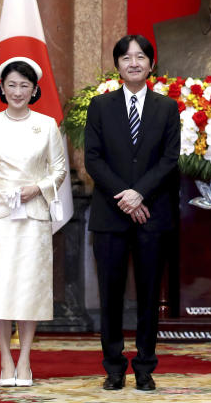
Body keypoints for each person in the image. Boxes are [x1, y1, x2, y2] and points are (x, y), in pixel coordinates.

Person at [84, 34, 181, 391]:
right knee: (110, 294)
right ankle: (112, 366)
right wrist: (123, 196)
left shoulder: (167, 108)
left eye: (141, 57)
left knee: (148, 294)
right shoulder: (100, 106)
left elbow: (170, 160)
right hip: (110, 215)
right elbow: (92, 158)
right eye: (126, 57)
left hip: (152, 214)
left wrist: (139, 194)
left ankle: (144, 365)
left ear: (151, 64)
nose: (134, 62)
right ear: (118, 66)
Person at [0, 57, 66, 388]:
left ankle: (25, 360)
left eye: (25, 85)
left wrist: (37, 188)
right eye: (12, 85)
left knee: (29, 288)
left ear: (35, 89)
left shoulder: (48, 125)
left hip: (33, 217)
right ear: (2, 88)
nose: (18, 91)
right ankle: (4, 359)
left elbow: (60, 170)